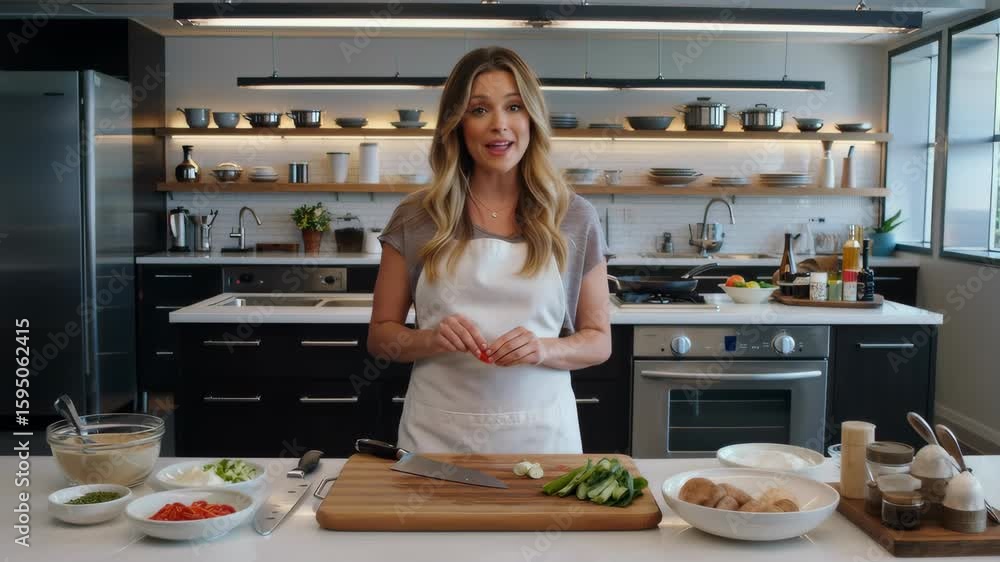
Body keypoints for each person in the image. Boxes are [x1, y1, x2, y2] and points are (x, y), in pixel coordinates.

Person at [369, 46, 611, 454]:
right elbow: (380, 337)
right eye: (479, 110)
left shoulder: (574, 217)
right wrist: (429, 340)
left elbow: (599, 341)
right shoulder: (416, 216)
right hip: (437, 440)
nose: (500, 125)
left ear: (532, 117)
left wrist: (543, 348)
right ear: (456, 124)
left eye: (514, 107)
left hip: (543, 441)